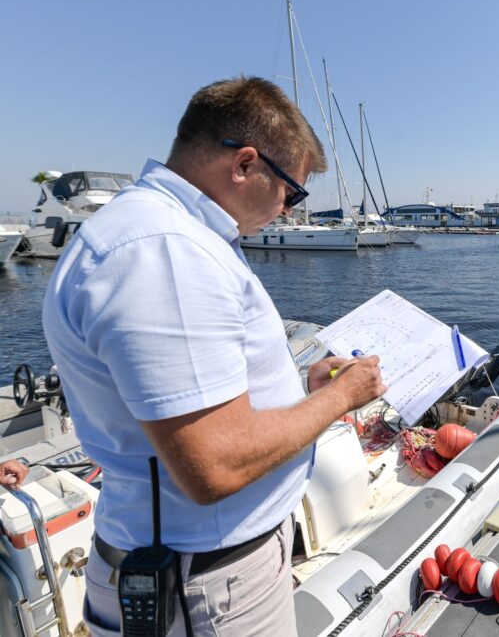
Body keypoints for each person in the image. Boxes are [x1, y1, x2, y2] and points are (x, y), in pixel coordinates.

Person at [42, 76, 387, 637]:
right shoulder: (165, 252)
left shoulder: (163, 234)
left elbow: (201, 410)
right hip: (208, 581)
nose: (290, 210)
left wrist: (304, 390)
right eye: (292, 192)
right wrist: (343, 397)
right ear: (246, 165)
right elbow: (215, 464)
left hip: (201, 570)